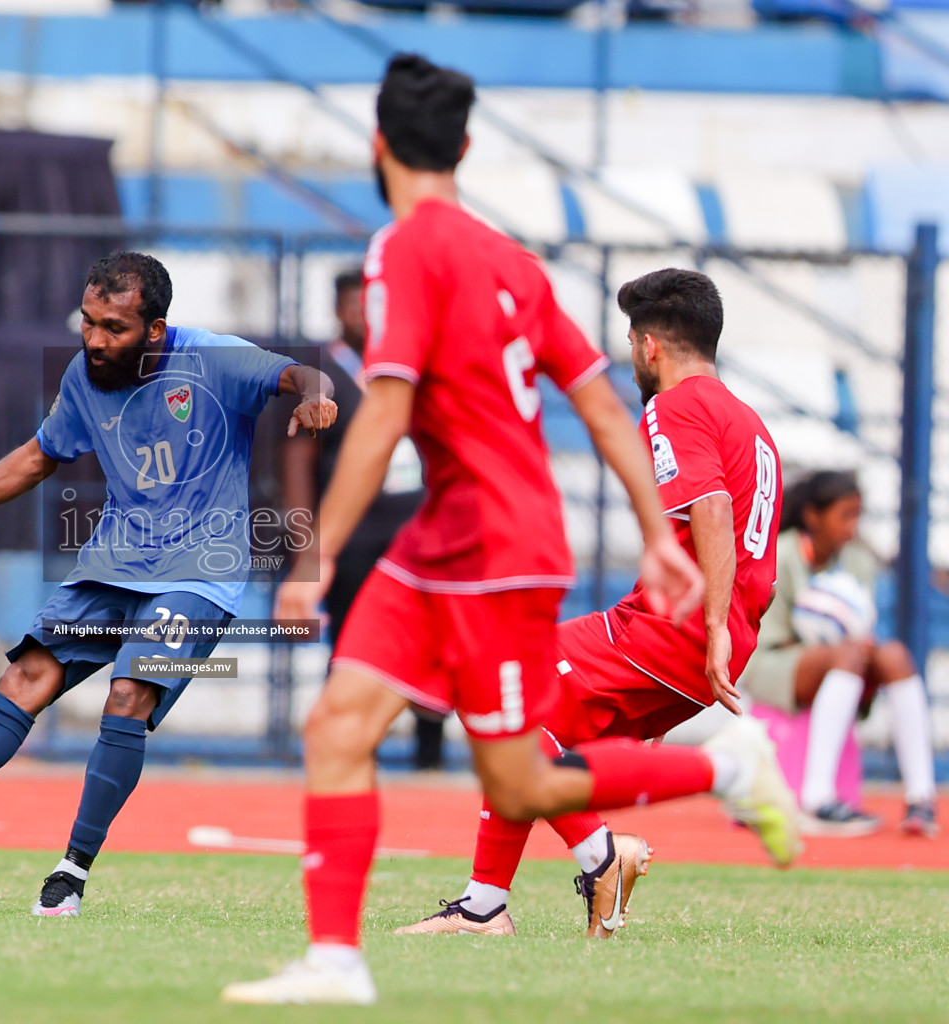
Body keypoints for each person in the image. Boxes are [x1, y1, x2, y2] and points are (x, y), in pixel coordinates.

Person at [221, 56, 797, 1006]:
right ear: (468, 146)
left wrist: (314, 553)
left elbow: (388, 406)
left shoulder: (401, 251)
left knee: (520, 771)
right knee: (343, 727)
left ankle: (721, 772)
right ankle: (340, 958)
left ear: (377, 146)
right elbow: (604, 409)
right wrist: (656, 533)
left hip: (490, 546)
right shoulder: (515, 266)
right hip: (459, 539)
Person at [0, 251, 338, 916]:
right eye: (88, 321)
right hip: (115, 561)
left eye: (112, 327)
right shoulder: (84, 375)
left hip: (201, 573)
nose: (93, 339)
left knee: (128, 692)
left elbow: (301, 373)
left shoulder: (216, 361)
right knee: (26, 676)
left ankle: (71, 874)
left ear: (154, 329)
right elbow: (37, 457)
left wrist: (317, 398)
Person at [398, 267, 790, 939]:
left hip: (681, 630)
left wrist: (713, 628)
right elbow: (758, 550)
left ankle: (601, 857)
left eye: (631, 341)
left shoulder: (676, 405)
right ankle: (484, 906)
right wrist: (724, 635)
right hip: (702, 635)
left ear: (649, 347)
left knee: (496, 687)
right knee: (536, 727)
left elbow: (713, 509)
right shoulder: (748, 421)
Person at [281, 270, 445, 768]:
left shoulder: (408, 365)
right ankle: (349, 752)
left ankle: (429, 755)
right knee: (352, 639)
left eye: (369, 304)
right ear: (336, 309)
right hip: (351, 532)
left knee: (426, 638)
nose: (361, 314)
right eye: (352, 304)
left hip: (412, 523)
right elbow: (298, 460)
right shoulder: (322, 372)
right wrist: (303, 536)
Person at [740, 470, 939, 837]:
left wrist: (855, 644)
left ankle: (921, 798)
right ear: (814, 516)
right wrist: (836, 647)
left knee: (894, 654)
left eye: (858, 515)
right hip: (774, 665)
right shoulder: (781, 555)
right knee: (847, 655)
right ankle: (818, 800)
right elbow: (767, 637)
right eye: (845, 515)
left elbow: (858, 626)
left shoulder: (858, 561)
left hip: (838, 662)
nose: (853, 526)